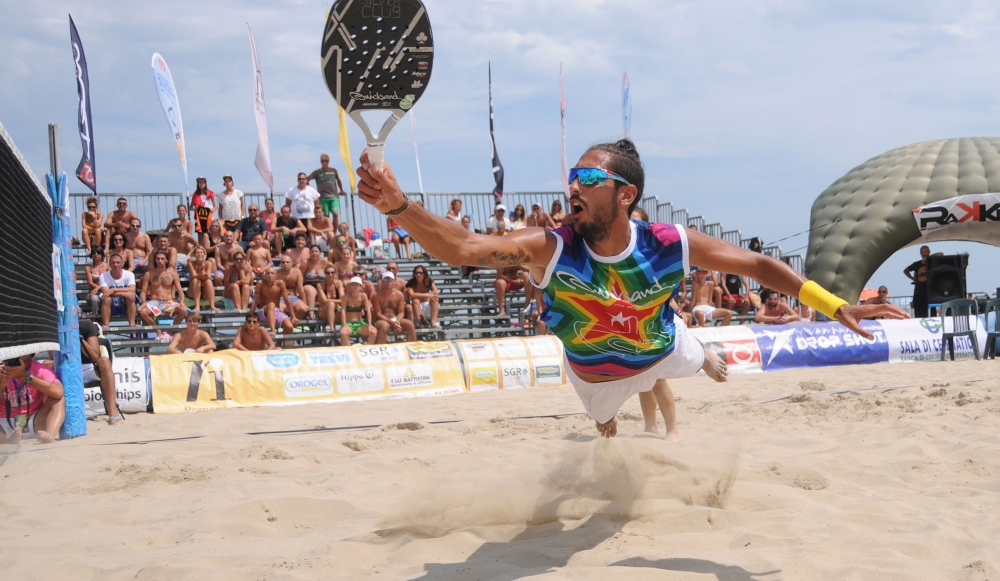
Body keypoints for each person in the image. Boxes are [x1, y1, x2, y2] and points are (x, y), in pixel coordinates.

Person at [355, 138, 907, 438]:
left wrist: (834, 305)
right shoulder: (552, 247)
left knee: (675, 362)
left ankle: (694, 364)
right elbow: (464, 249)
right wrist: (399, 207)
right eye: (573, 176)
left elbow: (760, 264)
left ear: (625, 194)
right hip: (593, 373)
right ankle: (638, 401)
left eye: (591, 178)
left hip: (659, 343)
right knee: (604, 426)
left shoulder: (669, 242)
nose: (575, 184)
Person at [1, 353, 65, 443]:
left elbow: (58, 392)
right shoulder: (1, 370)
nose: (22, 360)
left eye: (26, 357)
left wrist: (25, 376)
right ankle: (6, 440)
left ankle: (50, 435)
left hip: (34, 420)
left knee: (58, 400)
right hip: (3, 420)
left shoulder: (40, 368)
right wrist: (2, 383)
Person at [79, 319, 123, 424]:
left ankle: (112, 411)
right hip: (67, 368)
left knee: (104, 361)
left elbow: (94, 356)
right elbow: (54, 357)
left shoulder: (86, 325)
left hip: (88, 367)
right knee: (47, 363)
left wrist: (79, 340)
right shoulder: (55, 328)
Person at [138, 250, 187, 327]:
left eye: (162, 258)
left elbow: (180, 291)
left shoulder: (173, 274)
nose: (160, 261)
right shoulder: (149, 274)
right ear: (155, 260)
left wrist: (182, 302)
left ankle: (170, 332)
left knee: (183, 311)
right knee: (143, 312)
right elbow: (143, 291)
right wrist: (143, 302)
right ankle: (159, 332)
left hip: (168, 302)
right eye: (158, 258)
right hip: (154, 302)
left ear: (166, 260)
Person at [252, 268, 298, 336]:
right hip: (264, 312)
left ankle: (278, 344)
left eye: (272, 273)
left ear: (276, 276)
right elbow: (255, 300)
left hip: (276, 311)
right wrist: (251, 315)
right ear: (264, 276)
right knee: (271, 305)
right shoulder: (260, 283)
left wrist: (293, 316)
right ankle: (273, 330)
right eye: (268, 273)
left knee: (289, 327)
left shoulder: (280, 283)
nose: (270, 275)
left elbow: (287, 300)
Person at [373, 272, 416, 343]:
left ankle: (412, 347)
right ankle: (379, 348)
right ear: (382, 282)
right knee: (385, 326)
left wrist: (397, 322)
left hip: (395, 318)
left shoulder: (399, 295)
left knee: (410, 324)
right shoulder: (377, 296)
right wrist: (391, 322)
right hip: (382, 320)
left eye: (390, 279)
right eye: (386, 279)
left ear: (393, 281)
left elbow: (401, 312)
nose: (388, 281)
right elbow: (378, 314)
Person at [99, 253, 138, 327]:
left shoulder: (129, 274)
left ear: (122, 264)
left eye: (118, 262)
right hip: (111, 302)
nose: (115, 265)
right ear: (109, 264)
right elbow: (106, 292)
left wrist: (114, 290)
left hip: (125, 301)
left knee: (130, 297)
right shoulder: (103, 276)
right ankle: (106, 324)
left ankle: (132, 324)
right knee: (107, 299)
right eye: (113, 263)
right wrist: (123, 293)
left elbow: (132, 289)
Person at [307, 154, 345, 228]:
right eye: (322, 161)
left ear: (329, 161)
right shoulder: (317, 172)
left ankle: (334, 232)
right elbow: (307, 179)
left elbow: (338, 180)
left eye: (326, 161)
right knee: (326, 216)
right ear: (320, 162)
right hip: (323, 197)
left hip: (334, 196)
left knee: (335, 214)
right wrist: (310, 191)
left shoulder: (333, 170)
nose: (324, 163)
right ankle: (328, 231)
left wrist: (341, 190)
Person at [903, 245, 943, 318]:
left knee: (932, 315)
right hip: (919, 293)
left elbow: (941, 254)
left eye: (925, 251)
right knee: (919, 316)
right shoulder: (917, 264)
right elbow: (906, 270)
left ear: (929, 252)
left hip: (930, 294)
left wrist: (928, 258)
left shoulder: (932, 262)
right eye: (922, 252)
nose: (923, 253)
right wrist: (913, 279)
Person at [338, 276, 375, 345]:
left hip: (359, 323)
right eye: (352, 284)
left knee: (373, 332)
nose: (354, 286)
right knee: (343, 333)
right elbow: (343, 311)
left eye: (356, 284)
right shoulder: (346, 297)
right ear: (350, 286)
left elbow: (368, 310)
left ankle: (368, 349)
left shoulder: (363, 296)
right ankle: (348, 350)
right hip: (348, 323)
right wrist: (344, 324)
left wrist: (370, 324)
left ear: (360, 286)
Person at [186, 245, 219, 311]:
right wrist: (200, 275)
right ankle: (197, 306)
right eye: (197, 253)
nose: (199, 254)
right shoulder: (191, 263)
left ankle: (212, 306)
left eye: (201, 252)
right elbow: (193, 275)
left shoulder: (208, 263)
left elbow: (208, 276)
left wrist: (204, 275)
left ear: (204, 254)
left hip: (204, 291)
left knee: (208, 281)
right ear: (194, 254)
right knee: (195, 280)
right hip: (193, 290)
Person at [190, 177, 217, 249]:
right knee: (200, 237)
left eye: (203, 183)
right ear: (198, 184)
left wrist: (211, 209)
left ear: (205, 183)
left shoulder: (210, 193)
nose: (201, 184)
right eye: (200, 183)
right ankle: (201, 251)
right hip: (199, 218)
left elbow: (215, 206)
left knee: (210, 235)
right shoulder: (195, 194)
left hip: (209, 217)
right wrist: (194, 208)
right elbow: (190, 207)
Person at [85, 247, 109, 314]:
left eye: (98, 253)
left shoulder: (107, 266)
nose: (96, 254)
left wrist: (99, 288)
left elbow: (111, 280)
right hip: (92, 291)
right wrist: (98, 288)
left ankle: (103, 317)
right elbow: (90, 282)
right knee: (94, 299)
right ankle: (95, 317)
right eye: (94, 253)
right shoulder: (88, 267)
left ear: (102, 255)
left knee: (105, 298)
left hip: (105, 290)